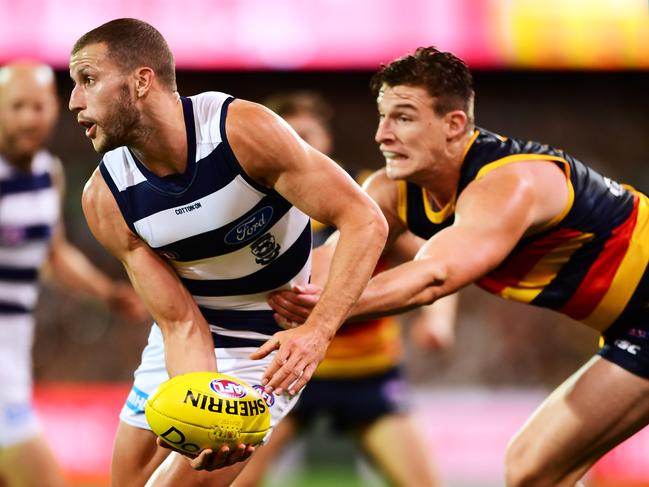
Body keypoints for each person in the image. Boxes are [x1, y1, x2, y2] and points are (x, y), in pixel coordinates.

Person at [267, 46, 649, 487]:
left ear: (454, 125)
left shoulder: (509, 184)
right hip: (631, 326)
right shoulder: (391, 189)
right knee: (531, 468)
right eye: (382, 116)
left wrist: (323, 315)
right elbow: (326, 268)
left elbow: (435, 275)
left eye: (403, 118)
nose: (382, 135)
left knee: (532, 466)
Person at [67, 18, 387, 487]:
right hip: (190, 329)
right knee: (128, 481)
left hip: (265, 345)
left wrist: (318, 332)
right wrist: (202, 399)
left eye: (88, 80)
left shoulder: (243, 133)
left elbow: (365, 219)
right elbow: (179, 323)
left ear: (141, 81)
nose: (74, 101)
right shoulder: (106, 198)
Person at [237, 91, 452, 487]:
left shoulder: (366, 197)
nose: (296, 145)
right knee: (231, 480)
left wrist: (438, 320)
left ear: (326, 141)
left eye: (305, 135)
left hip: (369, 374)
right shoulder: (251, 204)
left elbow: (437, 262)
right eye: (286, 136)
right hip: (287, 369)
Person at [0, 62, 147, 487]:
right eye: (17, 106)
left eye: (39, 106)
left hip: (13, 352)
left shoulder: (48, 173)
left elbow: (54, 254)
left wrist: (107, 292)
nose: (30, 117)